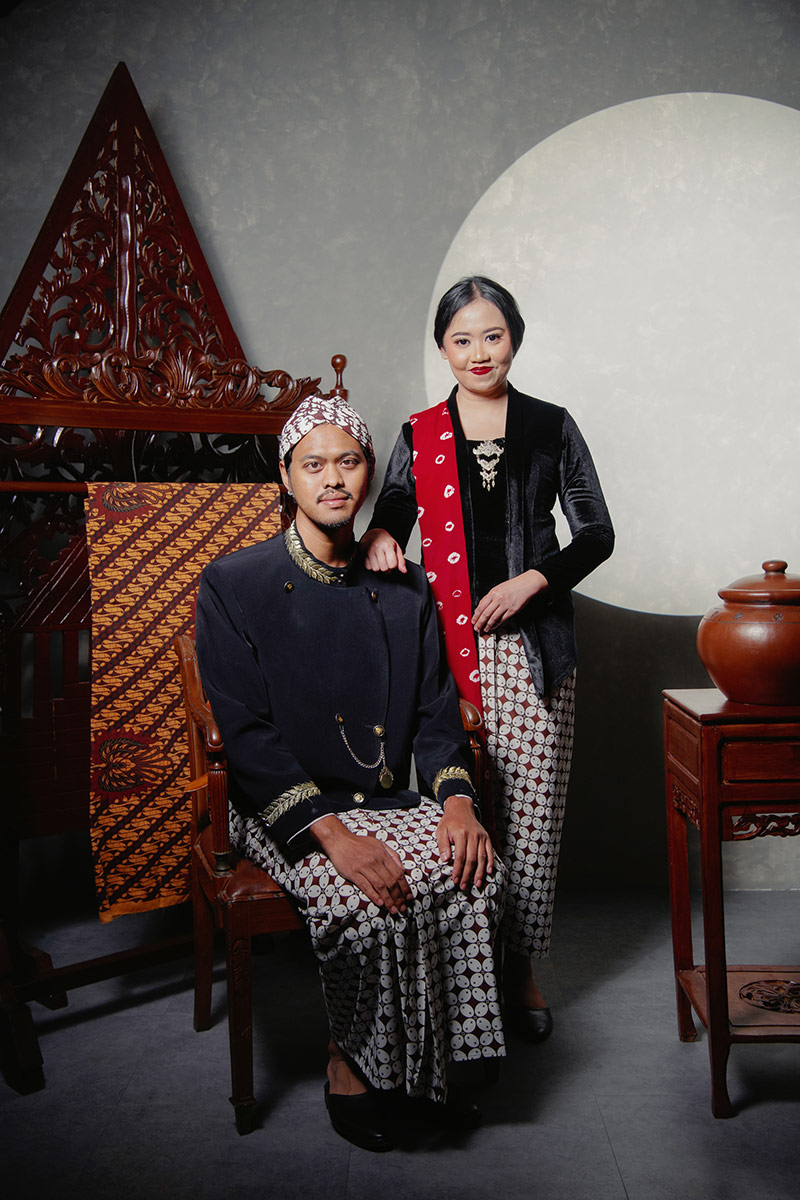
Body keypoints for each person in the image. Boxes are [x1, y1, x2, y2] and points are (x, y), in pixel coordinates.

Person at [195, 395, 505, 1153]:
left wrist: (458, 804)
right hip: (287, 807)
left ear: (369, 473)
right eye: (314, 464)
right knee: (365, 902)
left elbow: (436, 713)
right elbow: (245, 736)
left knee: (475, 874)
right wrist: (333, 837)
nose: (332, 478)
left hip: (388, 797)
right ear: (286, 477)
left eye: (349, 461)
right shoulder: (234, 583)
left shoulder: (407, 587)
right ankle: (352, 1063)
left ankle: (436, 1069)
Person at [362, 276, 614, 1041]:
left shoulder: (551, 425)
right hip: (446, 650)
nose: (479, 352)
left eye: (492, 336)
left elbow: (596, 532)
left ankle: (522, 970)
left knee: (531, 820)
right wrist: (381, 536)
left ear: (515, 339)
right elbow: (393, 512)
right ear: (443, 347)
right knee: (461, 810)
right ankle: (466, 973)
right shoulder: (421, 432)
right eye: (462, 339)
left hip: (534, 655)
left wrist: (536, 580)